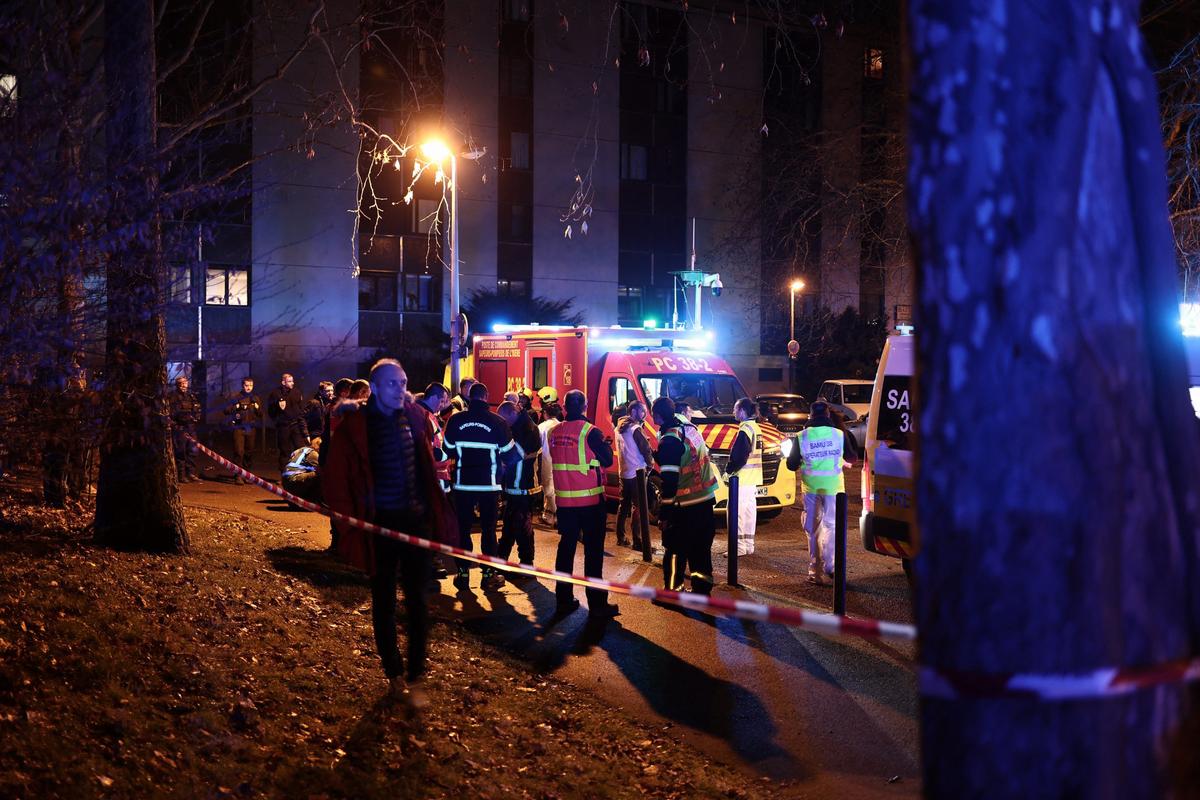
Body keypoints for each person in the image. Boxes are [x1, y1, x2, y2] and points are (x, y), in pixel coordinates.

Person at [322, 358, 449, 707]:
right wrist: (350, 519)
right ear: (375, 388)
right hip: (379, 526)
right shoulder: (356, 427)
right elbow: (337, 480)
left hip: (416, 524)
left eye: (404, 382)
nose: (400, 389)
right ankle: (394, 674)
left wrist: (434, 492)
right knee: (384, 601)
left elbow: (422, 465)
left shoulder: (415, 418)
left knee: (419, 601)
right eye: (392, 384)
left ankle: (417, 675)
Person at [548, 389, 617, 619]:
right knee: (593, 554)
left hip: (565, 502)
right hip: (590, 501)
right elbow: (607, 460)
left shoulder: (554, 432)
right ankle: (597, 606)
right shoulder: (591, 432)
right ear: (585, 406)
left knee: (565, 550)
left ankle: (563, 600)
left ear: (565, 407)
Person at [442, 382, 514, 591]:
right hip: (489, 485)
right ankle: (488, 574)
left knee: (463, 529)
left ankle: (463, 574)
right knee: (488, 530)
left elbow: (448, 450)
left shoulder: (456, 420)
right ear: (486, 396)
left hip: (463, 484)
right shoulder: (498, 422)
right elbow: (509, 454)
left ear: (470, 397)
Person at [652, 396, 719, 594]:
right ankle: (702, 589)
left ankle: (673, 591)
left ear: (657, 416)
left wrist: (664, 514)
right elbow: (687, 457)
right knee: (701, 549)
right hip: (705, 499)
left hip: (684, 505)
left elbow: (670, 482)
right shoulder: (687, 427)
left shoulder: (670, 441)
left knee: (674, 550)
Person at [786, 400, 853, 584]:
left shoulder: (802, 436)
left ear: (811, 415)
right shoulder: (839, 434)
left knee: (813, 530)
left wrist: (802, 460)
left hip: (811, 489)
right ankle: (831, 565)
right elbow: (851, 456)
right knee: (832, 526)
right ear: (828, 415)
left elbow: (791, 465)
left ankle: (815, 573)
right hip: (834, 489)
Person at [496, 400, 541, 568]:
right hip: (515, 486)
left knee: (520, 526)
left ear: (512, 414)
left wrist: (502, 458)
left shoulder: (528, 429)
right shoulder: (517, 427)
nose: (503, 423)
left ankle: (520, 561)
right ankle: (506, 559)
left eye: (504, 419)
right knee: (514, 524)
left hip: (523, 487)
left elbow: (517, 454)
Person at [725, 397, 764, 556]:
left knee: (736, 512)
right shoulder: (756, 428)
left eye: (735, 408)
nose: (733, 411)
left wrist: (729, 470)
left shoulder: (745, 430)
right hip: (752, 478)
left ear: (742, 411)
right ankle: (748, 545)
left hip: (741, 478)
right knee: (748, 511)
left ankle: (738, 547)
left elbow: (740, 457)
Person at [614, 400, 654, 549]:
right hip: (637, 472)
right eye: (641, 411)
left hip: (623, 472)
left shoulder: (618, 428)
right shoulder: (636, 428)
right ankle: (638, 541)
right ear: (633, 411)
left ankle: (621, 537)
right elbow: (645, 449)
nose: (644, 413)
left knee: (623, 506)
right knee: (638, 507)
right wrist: (650, 464)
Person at [223, 377, 262, 484]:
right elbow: (226, 411)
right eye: (246, 385)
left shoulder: (255, 398)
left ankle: (247, 474)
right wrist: (235, 407)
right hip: (238, 428)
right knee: (239, 452)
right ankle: (238, 475)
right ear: (242, 385)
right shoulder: (236, 397)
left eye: (251, 385)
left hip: (251, 428)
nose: (248, 387)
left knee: (249, 452)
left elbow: (261, 414)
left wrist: (258, 408)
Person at [267, 373, 308, 473]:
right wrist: (278, 419)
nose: (292, 383)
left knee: (300, 450)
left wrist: (303, 428)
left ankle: (299, 472)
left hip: (295, 425)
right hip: (283, 427)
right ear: (283, 382)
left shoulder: (296, 392)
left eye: (292, 381)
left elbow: (300, 411)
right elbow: (271, 411)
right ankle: (284, 474)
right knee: (284, 451)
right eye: (289, 381)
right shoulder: (275, 394)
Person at [168, 374, 202, 483]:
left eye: (185, 383)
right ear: (177, 385)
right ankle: (181, 475)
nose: (183, 385)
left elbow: (197, 409)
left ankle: (190, 473)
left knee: (193, 451)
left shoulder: (191, 396)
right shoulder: (172, 396)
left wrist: (196, 417)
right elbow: (171, 413)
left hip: (191, 428)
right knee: (180, 452)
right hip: (180, 428)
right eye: (181, 383)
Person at [537, 400, 564, 525]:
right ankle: (548, 515)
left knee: (548, 488)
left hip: (546, 459)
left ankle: (557, 516)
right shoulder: (561, 425)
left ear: (545, 413)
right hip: (560, 460)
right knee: (556, 487)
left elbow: (537, 445)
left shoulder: (542, 427)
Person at [281, 438, 321, 503]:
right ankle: (318, 500)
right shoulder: (314, 454)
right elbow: (323, 469)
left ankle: (296, 497)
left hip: (285, 481)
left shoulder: (299, 450)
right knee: (321, 474)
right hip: (295, 480)